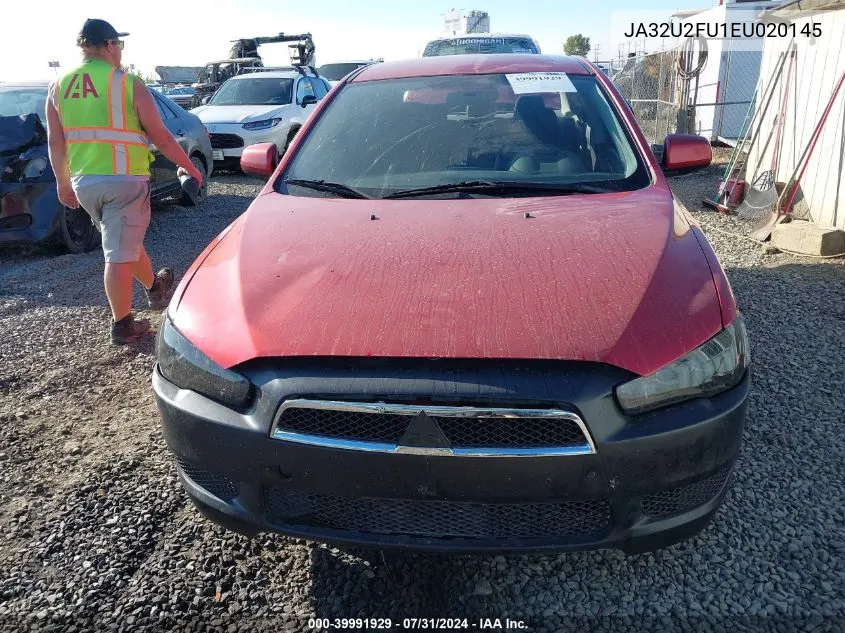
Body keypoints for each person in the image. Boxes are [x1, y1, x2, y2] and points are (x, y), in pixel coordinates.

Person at [45, 19, 204, 345]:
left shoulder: (59, 86)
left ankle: (155, 287)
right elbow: (161, 137)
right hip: (125, 181)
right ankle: (123, 325)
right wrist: (191, 168)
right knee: (117, 254)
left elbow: (55, 142)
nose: (120, 52)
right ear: (110, 46)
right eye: (119, 46)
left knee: (123, 243)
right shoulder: (128, 84)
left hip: (86, 183)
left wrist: (62, 183)